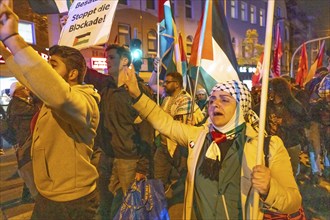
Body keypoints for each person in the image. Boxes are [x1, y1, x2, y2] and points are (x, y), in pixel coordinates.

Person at [123, 67, 302, 219]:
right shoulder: (199, 136)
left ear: (241, 107)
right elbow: (165, 123)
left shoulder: (267, 147)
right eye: (212, 100)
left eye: (224, 100)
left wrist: (269, 188)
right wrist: (137, 95)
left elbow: (293, 202)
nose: (215, 104)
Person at [0, 3, 100, 219]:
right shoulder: (51, 96)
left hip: (72, 201)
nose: (48, 71)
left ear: (72, 74)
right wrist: (4, 50)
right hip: (49, 195)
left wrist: (13, 38)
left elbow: (60, 96)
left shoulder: (85, 101)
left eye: (53, 65)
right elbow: (30, 77)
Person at [96, 44, 154, 219]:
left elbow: (147, 130)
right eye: (106, 58)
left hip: (129, 160)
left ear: (125, 60)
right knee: (106, 204)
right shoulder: (105, 89)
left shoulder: (138, 91)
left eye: (112, 57)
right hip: (107, 157)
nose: (107, 62)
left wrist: (142, 166)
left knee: (133, 207)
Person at [254, 77, 309, 177]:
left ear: (278, 90)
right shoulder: (264, 106)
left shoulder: (294, 105)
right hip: (270, 146)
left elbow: (304, 122)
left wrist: (285, 122)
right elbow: (253, 116)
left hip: (290, 145)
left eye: (270, 89)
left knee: (289, 175)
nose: (268, 91)